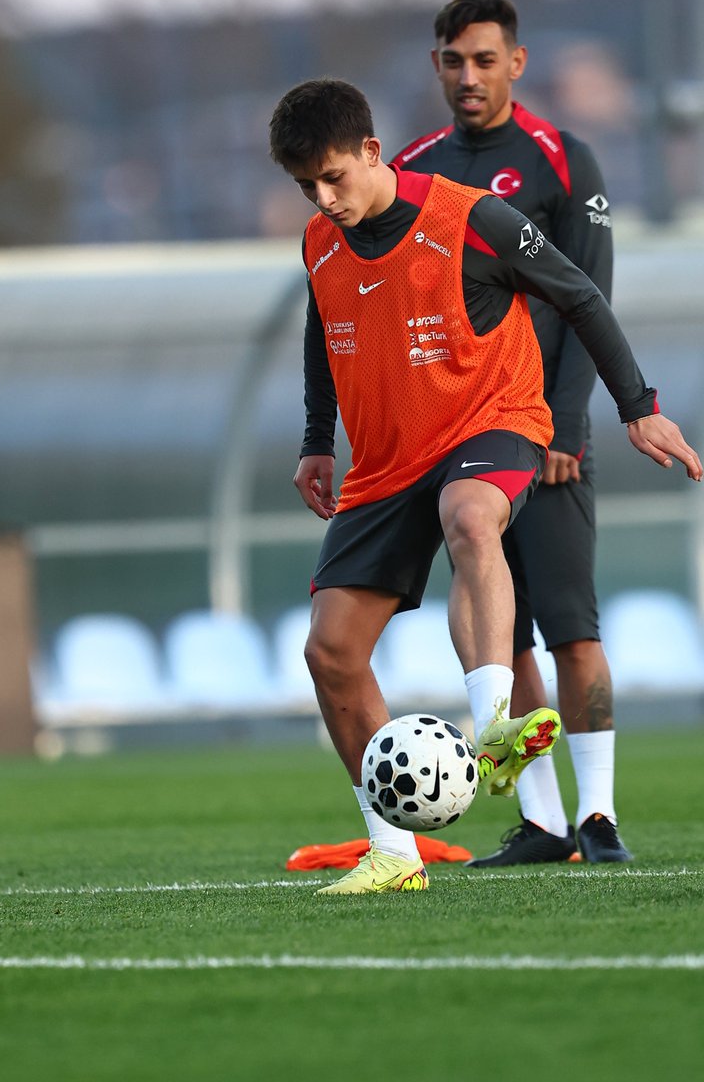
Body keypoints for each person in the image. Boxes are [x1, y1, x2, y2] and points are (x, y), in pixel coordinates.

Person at [268, 77, 701, 896]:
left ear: (371, 151)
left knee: (472, 518)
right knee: (329, 653)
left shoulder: (471, 219)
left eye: (334, 177)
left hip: (488, 420)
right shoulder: (319, 245)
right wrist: (317, 442)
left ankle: (497, 723)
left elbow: (578, 294)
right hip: (387, 458)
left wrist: (638, 408)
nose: (324, 200)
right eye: (305, 187)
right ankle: (393, 853)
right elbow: (323, 332)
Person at [391, 0, 636, 865]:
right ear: (437, 65)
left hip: (546, 432)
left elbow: (584, 299)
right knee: (508, 643)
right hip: (461, 443)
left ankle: (599, 816)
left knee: (574, 632)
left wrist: (566, 427)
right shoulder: (414, 167)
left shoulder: (561, 160)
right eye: (454, 61)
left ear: (515, 64)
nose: (469, 76)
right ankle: (541, 821)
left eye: (485, 60)